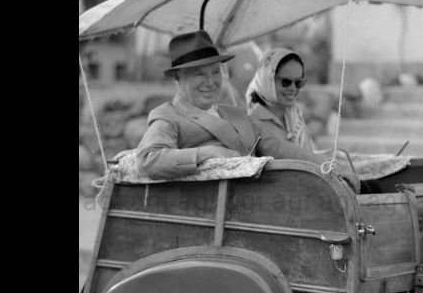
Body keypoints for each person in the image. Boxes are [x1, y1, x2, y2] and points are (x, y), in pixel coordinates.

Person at [136, 30, 353, 184]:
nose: (211, 82)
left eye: (215, 72)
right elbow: (149, 159)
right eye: (199, 74)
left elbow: (278, 148)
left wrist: (328, 164)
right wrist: (206, 153)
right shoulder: (168, 116)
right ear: (178, 78)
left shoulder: (235, 113)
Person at [245, 47, 316, 151]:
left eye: (298, 83)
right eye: (286, 82)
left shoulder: (295, 116)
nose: (293, 88)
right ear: (267, 80)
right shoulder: (253, 122)